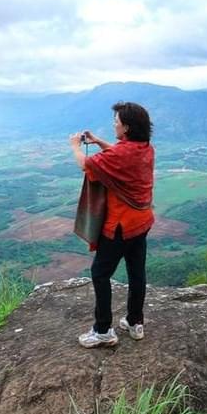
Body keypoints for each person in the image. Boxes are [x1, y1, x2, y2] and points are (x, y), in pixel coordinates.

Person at [69, 101, 154, 348]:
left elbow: (86, 165)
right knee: (136, 271)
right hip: (142, 222)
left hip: (120, 227)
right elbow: (120, 154)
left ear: (126, 127)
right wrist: (99, 141)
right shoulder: (146, 148)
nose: (114, 125)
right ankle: (135, 322)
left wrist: (75, 146)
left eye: (116, 122)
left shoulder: (120, 155)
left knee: (100, 273)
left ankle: (103, 330)